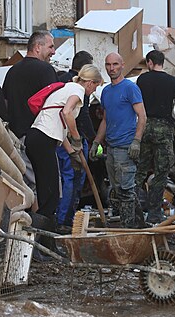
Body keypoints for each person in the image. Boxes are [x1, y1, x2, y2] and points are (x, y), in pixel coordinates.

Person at [25, 64, 103, 227]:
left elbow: (60, 127)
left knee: (47, 191)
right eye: (95, 86)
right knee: (51, 194)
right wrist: (77, 139)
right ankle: (44, 235)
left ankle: (44, 234)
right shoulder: (78, 90)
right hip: (43, 139)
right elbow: (66, 113)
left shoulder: (66, 88)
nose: (94, 91)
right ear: (90, 82)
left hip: (36, 137)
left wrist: (72, 152)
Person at [90, 53, 147, 229]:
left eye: (115, 64)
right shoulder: (106, 91)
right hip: (112, 148)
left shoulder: (130, 88)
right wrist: (97, 142)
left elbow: (142, 116)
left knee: (125, 190)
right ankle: (139, 226)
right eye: (108, 65)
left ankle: (128, 229)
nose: (111, 68)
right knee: (119, 190)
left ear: (122, 65)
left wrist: (136, 141)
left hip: (126, 146)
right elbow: (106, 120)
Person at [2, 30, 58, 190]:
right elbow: (53, 105)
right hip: (39, 137)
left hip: (15, 138)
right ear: (38, 47)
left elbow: (5, 102)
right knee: (44, 186)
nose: (53, 52)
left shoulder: (12, 71)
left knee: (23, 186)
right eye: (51, 47)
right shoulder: (46, 70)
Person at [135, 50, 175, 223]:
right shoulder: (174, 82)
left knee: (140, 169)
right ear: (162, 63)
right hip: (165, 129)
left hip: (145, 126)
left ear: (149, 62)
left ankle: (134, 210)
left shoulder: (142, 80)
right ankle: (155, 211)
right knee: (161, 171)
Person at [55, 51, 96, 233]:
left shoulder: (61, 79)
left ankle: (63, 217)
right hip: (72, 137)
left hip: (61, 136)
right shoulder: (80, 89)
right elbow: (76, 114)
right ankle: (66, 219)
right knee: (73, 177)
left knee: (66, 178)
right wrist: (87, 138)